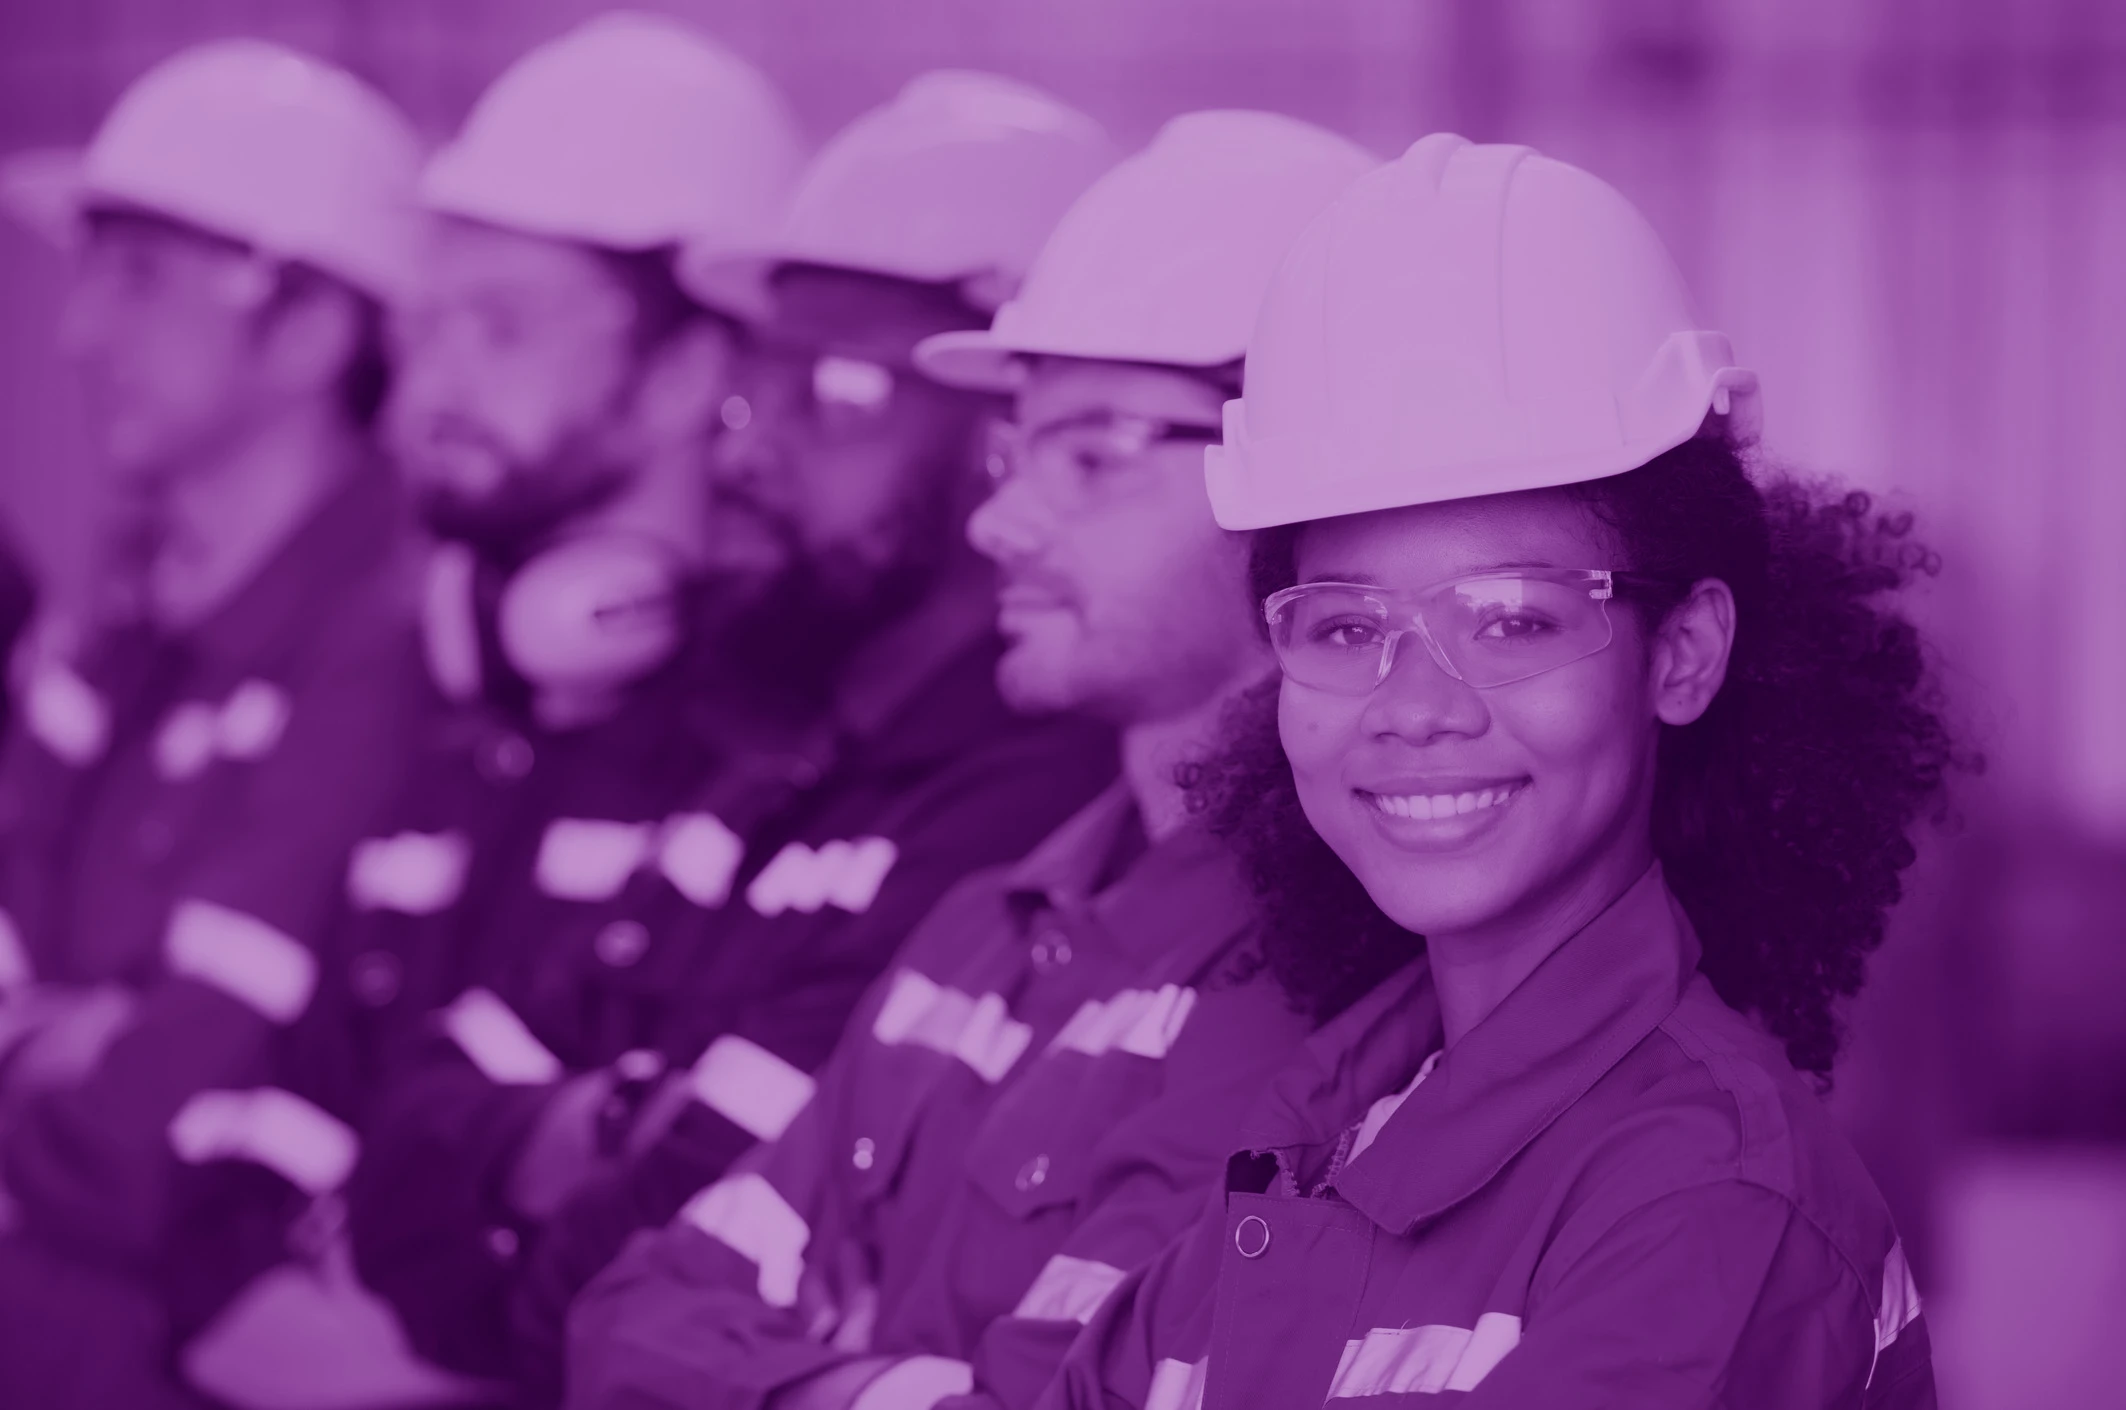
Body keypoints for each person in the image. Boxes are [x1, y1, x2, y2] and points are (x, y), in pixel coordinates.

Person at [1043, 134, 1961, 1410]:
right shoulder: (1323, 1120)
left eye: (1514, 619)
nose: (1414, 708)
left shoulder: (1710, 1211)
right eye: (1346, 629)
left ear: (1681, 654)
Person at [562, 111, 1378, 1410]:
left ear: (1304, 478)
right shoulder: (982, 926)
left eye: (1091, 455)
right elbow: (621, 1325)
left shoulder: (1338, 967)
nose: (1000, 520)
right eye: (1011, 453)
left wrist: (799, 1365)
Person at [342, 70, 1124, 1401]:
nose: (749, 454)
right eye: (752, 390)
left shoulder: (1035, 795)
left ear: (1019, 436)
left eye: (833, 394)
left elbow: (647, 1267)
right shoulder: (748, 727)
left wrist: (533, 1252)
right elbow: (419, 1108)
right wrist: (605, 1121)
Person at [0, 39, 431, 1408]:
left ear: (308, 326)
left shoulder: (394, 639)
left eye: (138, 281)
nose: (79, 335)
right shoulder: (129, 604)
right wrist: (60, 1031)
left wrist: (88, 1038)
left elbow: (168, 1131)